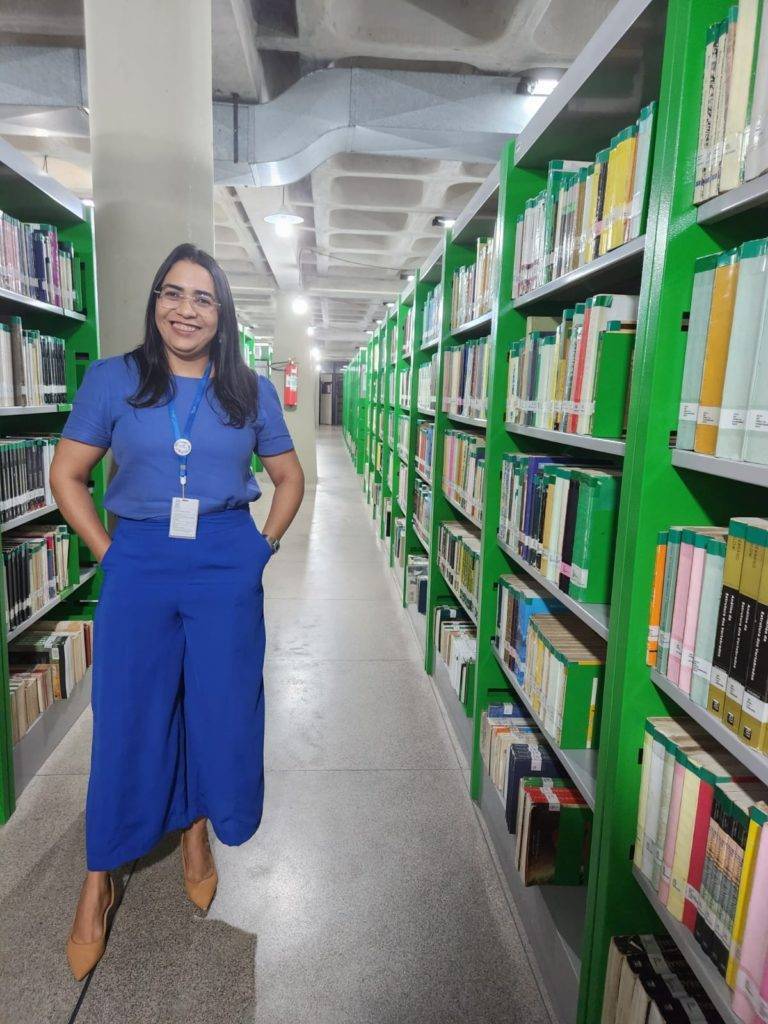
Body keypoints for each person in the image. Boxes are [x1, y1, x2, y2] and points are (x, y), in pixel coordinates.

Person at [50, 243, 304, 981]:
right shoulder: (113, 379)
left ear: (220, 314)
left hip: (227, 557)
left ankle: (198, 830)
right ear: (156, 300)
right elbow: (68, 474)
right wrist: (107, 550)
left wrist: (261, 549)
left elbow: (288, 479)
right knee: (129, 713)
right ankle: (99, 879)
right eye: (173, 293)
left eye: (202, 298)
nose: (185, 309)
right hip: (140, 559)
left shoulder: (248, 390)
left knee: (220, 707)